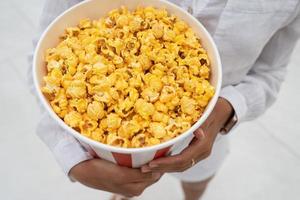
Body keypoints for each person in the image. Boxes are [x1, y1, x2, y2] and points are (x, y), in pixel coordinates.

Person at [30, 0, 300, 200]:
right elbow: (43, 55)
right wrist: (71, 156)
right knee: (125, 186)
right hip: (108, 146)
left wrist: (228, 109)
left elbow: (270, 73)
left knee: (198, 179)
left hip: (210, 133)